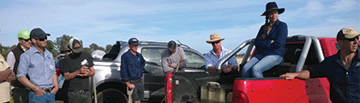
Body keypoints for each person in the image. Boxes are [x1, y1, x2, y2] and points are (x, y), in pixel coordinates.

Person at [280, 28, 360, 103]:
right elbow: (311, 72)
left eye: (357, 38)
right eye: (352, 39)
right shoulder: (330, 62)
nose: (356, 42)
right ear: (341, 42)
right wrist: (295, 74)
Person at [242, 1, 288, 78]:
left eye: (275, 13)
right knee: (245, 68)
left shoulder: (282, 26)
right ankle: (249, 89)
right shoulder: (263, 28)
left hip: (276, 54)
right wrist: (270, 42)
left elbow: (279, 43)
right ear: (267, 16)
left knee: (256, 69)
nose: (274, 16)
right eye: (271, 14)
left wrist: (263, 44)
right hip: (261, 54)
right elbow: (256, 43)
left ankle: (262, 89)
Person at [16, 28, 58, 103]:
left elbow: (53, 72)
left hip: (51, 94)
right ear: (34, 40)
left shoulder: (49, 55)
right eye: (42, 38)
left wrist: (56, 86)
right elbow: (20, 76)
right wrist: (36, 89)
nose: (45, 40)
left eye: (45, 38)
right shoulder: (26, 56)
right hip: (37, 96)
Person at [60, 37, 95, 103]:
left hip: (86, 92)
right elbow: (66, 76)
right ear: (71, 48)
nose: (78, 52)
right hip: (73, 93)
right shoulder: (67, 59)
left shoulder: (87, 56)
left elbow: (93, 71)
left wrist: (89, 73)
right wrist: (78, 72)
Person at [6, 30, 31, 103]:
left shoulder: (32, 52)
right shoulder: (13, 53)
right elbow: (9, 72)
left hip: (31, 88)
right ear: (20, 40)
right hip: (19, 88)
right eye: (26, 40)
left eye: (30, 39)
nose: (29, 41)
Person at [120, 38, 145, 103]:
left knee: (140, 100)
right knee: (135, 101)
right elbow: (123, 70)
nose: (136, 47)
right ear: (129, 46)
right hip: (132, 82)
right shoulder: (125, 56)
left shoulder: (139, 56)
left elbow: (143, 62)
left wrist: (140, 70)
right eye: (134, 45)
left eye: (137, 45)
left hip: (140, 81)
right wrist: (128, 83)